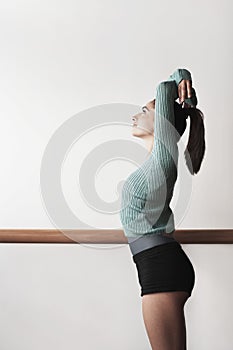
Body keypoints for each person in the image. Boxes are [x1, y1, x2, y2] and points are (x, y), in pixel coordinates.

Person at [120, 68, 206, 350]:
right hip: (157, 264)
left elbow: (164, 86)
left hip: (160, 267)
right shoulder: (154, 163)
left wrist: (181, 77)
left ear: (162, 121)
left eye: (144, 110)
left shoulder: (163, 158)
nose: (134, 116)